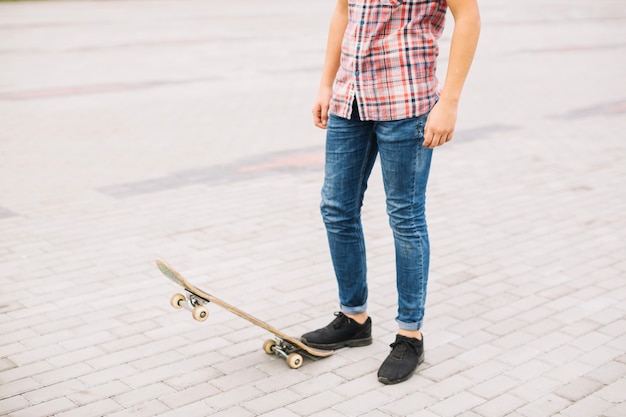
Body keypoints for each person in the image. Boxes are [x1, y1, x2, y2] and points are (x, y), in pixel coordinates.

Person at [300, 0, 480, 384]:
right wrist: (326, 84)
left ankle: (409, 334)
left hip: (408, 103)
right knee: (335, 209)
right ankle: (353, 318)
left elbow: (468, 17)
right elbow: (344, 11)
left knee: (405, 216)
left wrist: (448, 102)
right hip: (349, 100)